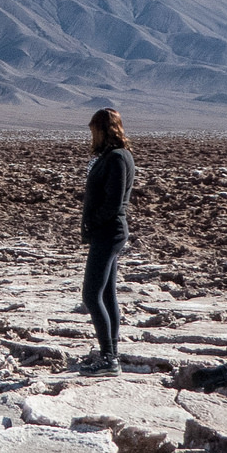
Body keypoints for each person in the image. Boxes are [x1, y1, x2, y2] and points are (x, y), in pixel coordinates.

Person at [78, 107, 136, 375]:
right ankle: (111, 354)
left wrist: (93, 222)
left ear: (104, 130)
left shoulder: (116, 158)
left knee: (91, 295)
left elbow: (113, 203)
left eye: (95, 130)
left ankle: (108, 359)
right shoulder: (112, 156)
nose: (92, 135)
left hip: (109, 232)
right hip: (107, 232)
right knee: (107, 293)